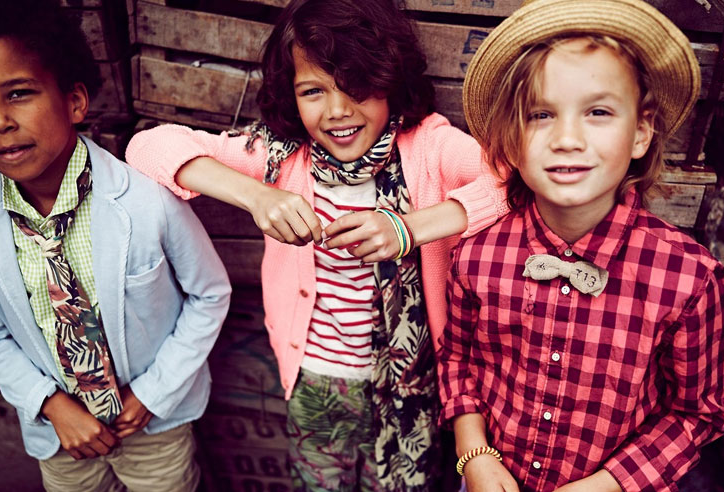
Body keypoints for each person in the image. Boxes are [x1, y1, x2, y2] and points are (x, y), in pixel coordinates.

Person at [124, 0, 507, 489]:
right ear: (291, 93)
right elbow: (146, 147)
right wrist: (257, 196)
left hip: (413, 385)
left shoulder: (430, 147)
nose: (338, 111)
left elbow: (514, 181)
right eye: (313, 91)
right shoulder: (281, 158)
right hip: (314, 381)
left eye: (358, 86)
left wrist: (408, 229)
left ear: (390, 79)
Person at [437, 0, 724, 491]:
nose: (567, 138)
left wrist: (606, 485)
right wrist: (474, 454)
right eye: (540, 114)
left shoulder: (688, 278)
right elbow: (457, 362)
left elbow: (696, 414)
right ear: (511, 140)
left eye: (597, 112)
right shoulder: (476, 257)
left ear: (641, 132)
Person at [0, 0, 232, 490]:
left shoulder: (147, 201)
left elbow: (210, 295)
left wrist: (153, 393)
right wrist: (50, 405)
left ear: (75, 101)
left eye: (18, 94)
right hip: (60, 436)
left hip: (153, 425)